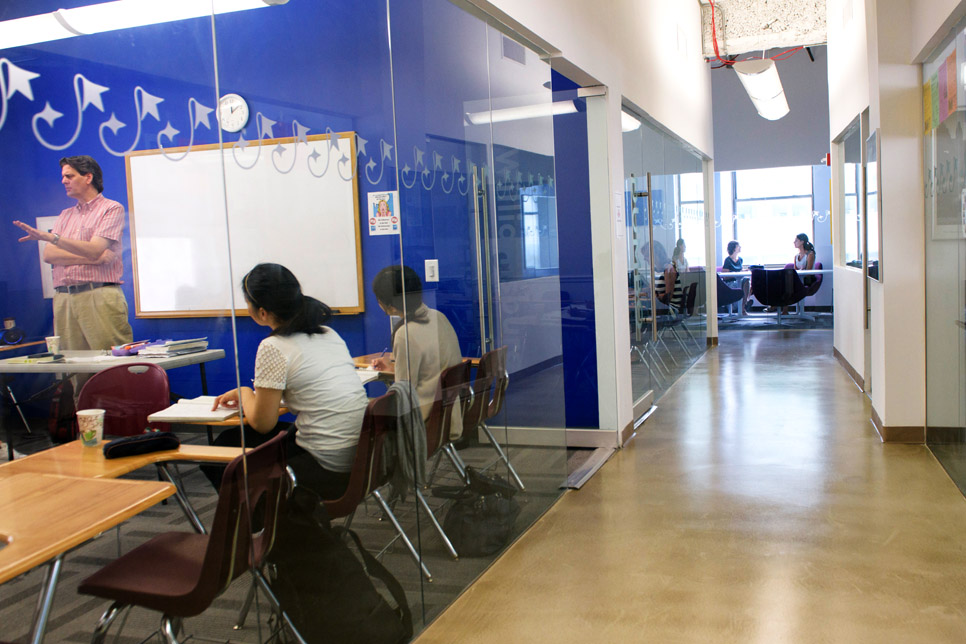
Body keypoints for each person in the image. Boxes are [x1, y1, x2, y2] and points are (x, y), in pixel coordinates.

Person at [206, 263, 368, 500]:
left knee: (224, 448)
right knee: (236, 439)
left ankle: (256, 518)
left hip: (326, 466)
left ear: (262, 313)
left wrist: (244, 393)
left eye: (247, 303)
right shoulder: (328, 334)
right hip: (361, 458)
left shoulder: (273, 347)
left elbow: (262, 423)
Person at [13, 155, 132, 351]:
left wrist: (53, 238)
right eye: (63, 176)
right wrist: (94, 260)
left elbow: (94, 248)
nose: (63, 181)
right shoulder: (65, 215)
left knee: (110, 362)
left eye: (69, 176)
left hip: (98, 294)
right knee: (72, 363)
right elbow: (49, 255)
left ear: (88, 177)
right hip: (64, 298)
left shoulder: (111, 209)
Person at [370, 265, 463, 437]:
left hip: (423, 423)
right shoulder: (438, 317)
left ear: (390, 306)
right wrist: (393, 367)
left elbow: (404, 392)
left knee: (367, 413)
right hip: (449, 416)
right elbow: (430, 372)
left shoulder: (405, 333)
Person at [722, 240, 752, 314]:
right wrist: (737, 274)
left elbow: (739, 270)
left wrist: (744, 271)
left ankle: (743, 305)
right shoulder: (728, 260)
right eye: (738, 246)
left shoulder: (740, 259)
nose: (740, 247)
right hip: (730, 282)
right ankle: (743, 305)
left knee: (747, 281)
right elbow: (725, 276)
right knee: (745, 283)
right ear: (734, 248)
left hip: (739, 281)